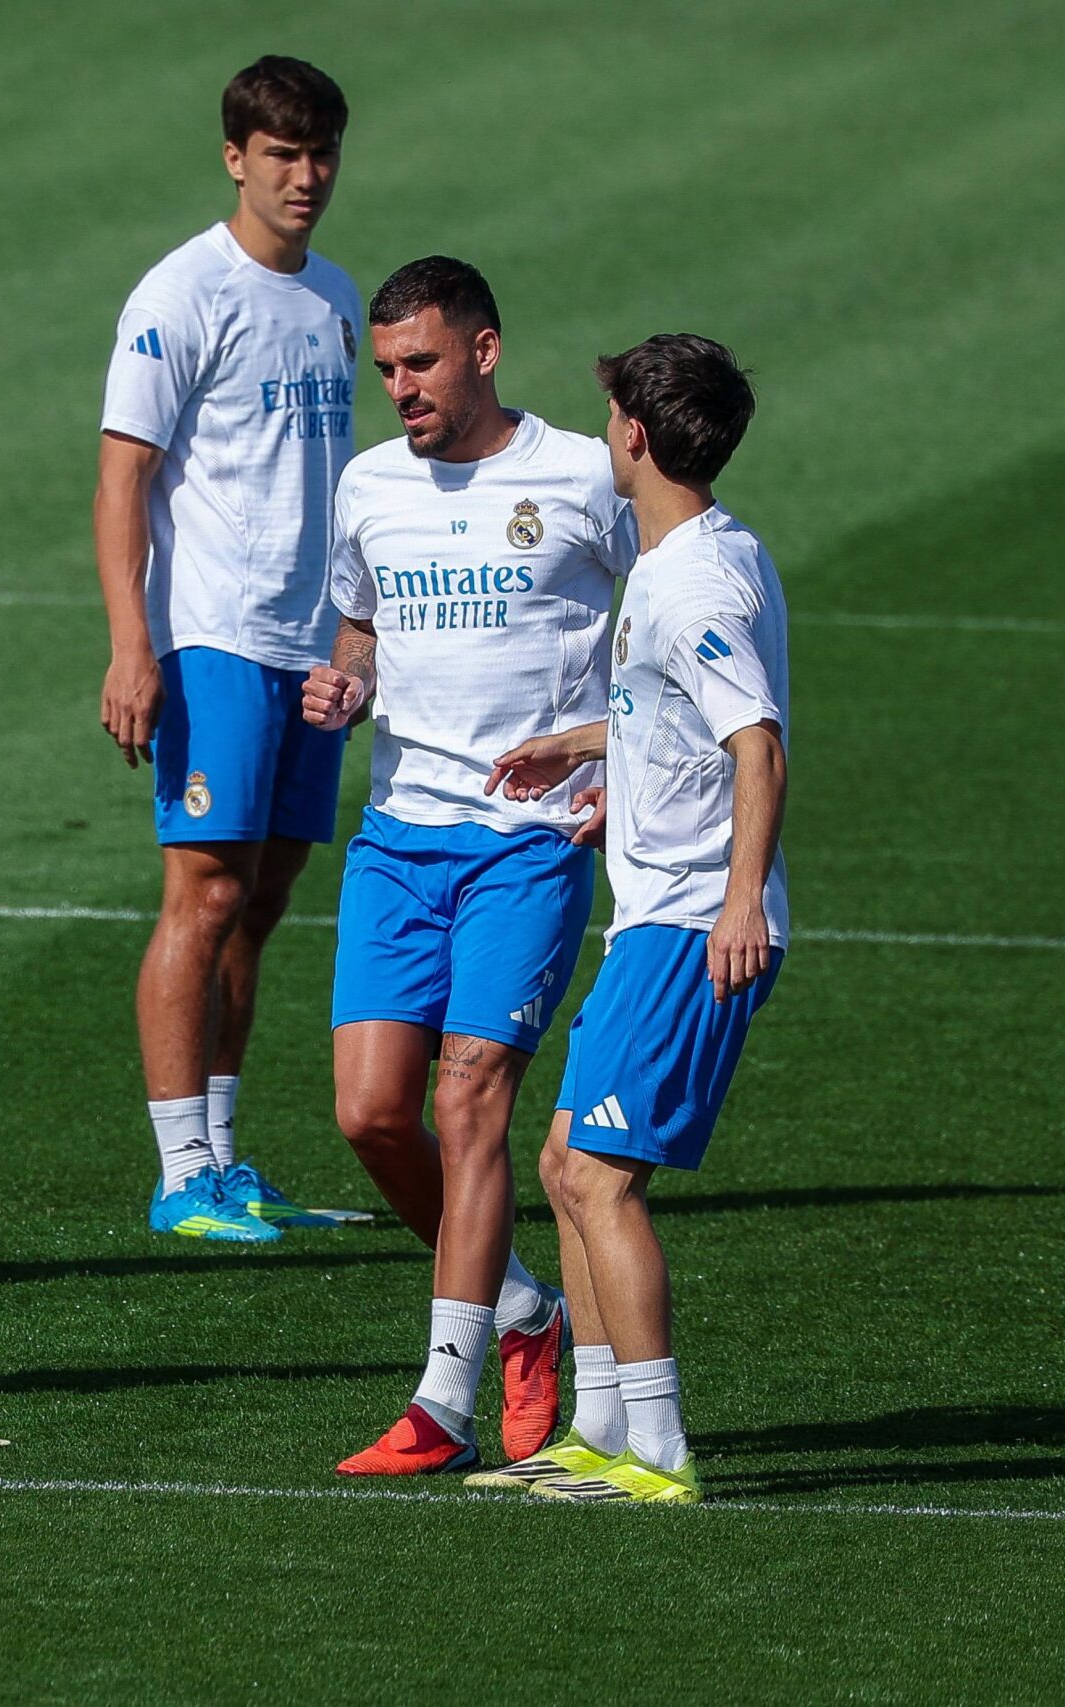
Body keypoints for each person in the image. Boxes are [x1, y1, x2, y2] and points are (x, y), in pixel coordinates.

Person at [301, 258, 634, 1475]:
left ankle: (441, 1406)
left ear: (483, 352)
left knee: (470, 1094)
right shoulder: (368, 485)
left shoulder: (583, 476)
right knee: (371, 1114)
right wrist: (348, 683)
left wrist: (617, 760)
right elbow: (360, 623)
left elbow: (668, 618)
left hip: (525, 843)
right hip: (398, 838)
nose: (401, 388)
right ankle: (523, 1309)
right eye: (385, 368)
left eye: (422, 363)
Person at [474, 334, 784, 1504]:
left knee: (598, 1181)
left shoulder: (692, 583)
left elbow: (755, 743)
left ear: (637, 437)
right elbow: (678, 713)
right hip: (658, 914)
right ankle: (598, 1431)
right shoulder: (695, 554)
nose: (604, 432)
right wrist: (583, 746)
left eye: (611, 417)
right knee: (566, 1166)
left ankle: (656, 1452)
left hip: (691, 923)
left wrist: (739, 901)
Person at [96, 55, 368, 1241]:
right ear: (234, 159)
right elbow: (122, 479)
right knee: (204, 891)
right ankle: (178, 1175)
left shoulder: (336, 299)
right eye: (281, 155)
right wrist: (131, 646)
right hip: (211, 633)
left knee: (260, 899)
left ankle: (221, 1153)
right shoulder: (180, 294)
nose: (304, 177)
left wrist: (353, 635)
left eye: (320, 154)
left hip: (308, 646)